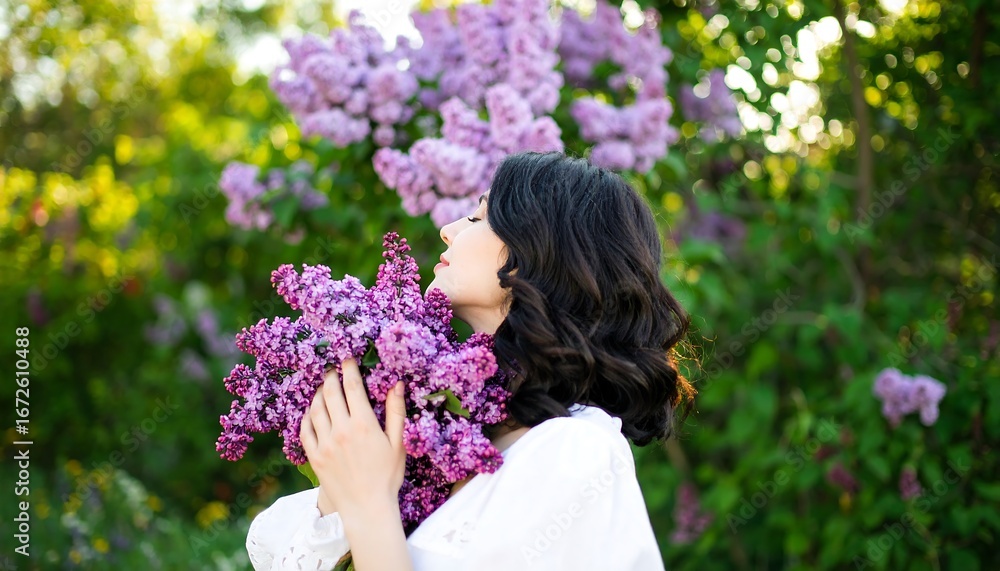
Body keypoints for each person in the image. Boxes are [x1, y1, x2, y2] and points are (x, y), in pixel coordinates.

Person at [246, 151, 696, 570]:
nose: (448, 228)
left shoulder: (575, 452)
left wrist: (368, 503)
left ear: (534, 251)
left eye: (479, 216)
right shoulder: (439, 435)